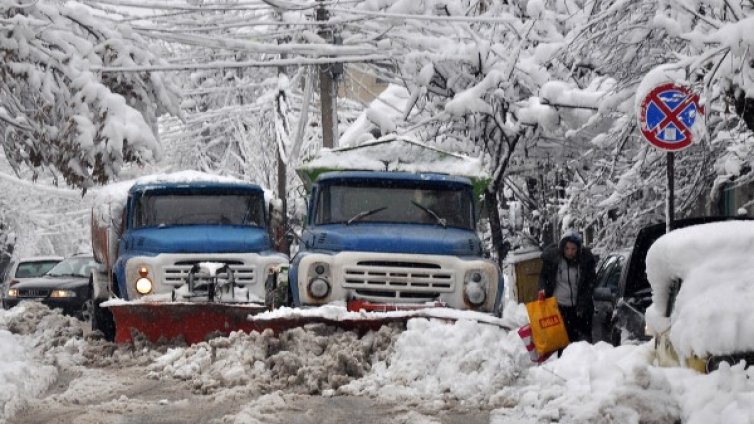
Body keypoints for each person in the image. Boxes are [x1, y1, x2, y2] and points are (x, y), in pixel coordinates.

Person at [538, 230, 596, 344]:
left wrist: (583, 304)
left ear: (578, 249)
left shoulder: (585, 262)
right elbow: (543, 277)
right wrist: (543, 289)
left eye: (573, 249)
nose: (570, 252)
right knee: (561, 342)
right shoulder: (554, 260)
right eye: (567, 248)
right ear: (562, 248)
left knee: (581, 344)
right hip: (559, 308)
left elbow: (590, 284)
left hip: (580, 309)